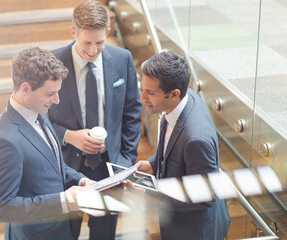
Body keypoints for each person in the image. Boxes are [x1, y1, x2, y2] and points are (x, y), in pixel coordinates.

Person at [48, 0, 142, 239]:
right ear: (73, 32)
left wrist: (125, 161)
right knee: (65, 234)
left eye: (99, 42)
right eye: (86, 42)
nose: (92, 50)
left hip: (109, 169)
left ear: (108, 33)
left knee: (104, 235)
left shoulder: (123, 59)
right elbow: (38, 118)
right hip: (66, 169)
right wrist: (69, 137)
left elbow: (132, 113)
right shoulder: (52, 63)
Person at [0, 47, 94, 240]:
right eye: (50, 93)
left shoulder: (38, 110)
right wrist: (63, 201)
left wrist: (80, 180)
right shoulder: (4, 140)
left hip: (60, 230)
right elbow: (1, 208)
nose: (57, 100)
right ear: (26, 89)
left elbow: (51, 164)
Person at [127, 51, 231, 240]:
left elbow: (204, 196)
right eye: (143, 89)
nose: (142, 97)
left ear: (174, 94)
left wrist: (147, 195)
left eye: (150, 93)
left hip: (193, 232)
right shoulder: (185, 96)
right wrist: (153, 163)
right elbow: (172, 145)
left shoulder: (195, 140)